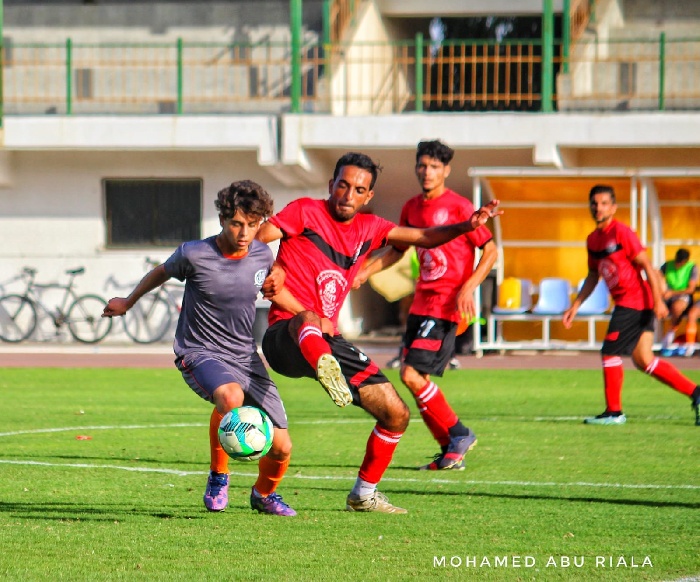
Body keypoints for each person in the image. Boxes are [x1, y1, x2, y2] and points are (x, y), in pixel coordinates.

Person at [256, 151, 502, 513]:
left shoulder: (369, 227)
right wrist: (271, 268)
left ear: (368, 196)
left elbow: (424, 236)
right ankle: (326, 368)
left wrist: (468, 226)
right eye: (342, 185)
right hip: (285, 337)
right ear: (331, 185)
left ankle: (363, 494)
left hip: (328, 340)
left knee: (396, 413)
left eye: (358, 189)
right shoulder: (304, 210)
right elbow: (259, 238)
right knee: (309, 318)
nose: (348, 195)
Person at [103, 180, 297, 515]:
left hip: (245, 356)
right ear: (222, 219)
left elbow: (273, 291)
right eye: (236, 223)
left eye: (252, 225)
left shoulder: (263, 254)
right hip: (200, 350)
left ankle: (264, 495)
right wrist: (128, 301)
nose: (244, 232)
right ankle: (219, 476)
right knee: (230, 397)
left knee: (281, 447)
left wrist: (309, 315)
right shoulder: (195, 253)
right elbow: (159, 273)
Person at [353, 140, 498, 470]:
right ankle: (450, 447)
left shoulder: (461, 208)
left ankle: (458, 434)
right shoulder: (412, 208)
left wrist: (468, 288)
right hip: (421, 305)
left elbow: (490, 251)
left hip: (446, 305)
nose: (427, 172)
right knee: (411, 377)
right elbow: (397, 251)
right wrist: (364, 272)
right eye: (422, 165)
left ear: (446, 170)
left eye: (434, 166)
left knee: (411, 374)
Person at [562, 184, 700, 426]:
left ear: (613, 207)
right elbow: (593, 276)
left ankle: (614, 413)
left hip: (635, 302)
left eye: (604, 203)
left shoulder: (622, 232)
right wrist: (576, 305)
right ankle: (696, 392)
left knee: (610, 351)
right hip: (629, 303)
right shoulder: (593, 240)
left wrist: (658, 300)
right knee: (644, 360)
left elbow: (647, 265)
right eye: (595, 203)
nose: (598, 208)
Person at [658, 248, 698, 354]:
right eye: (677, 261)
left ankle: (673, 332)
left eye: (681, 262)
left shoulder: (692, 267)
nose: (678, 264)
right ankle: (645, 339)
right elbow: (658, 277)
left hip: (682, 296)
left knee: (679, 308)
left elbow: (690, 289)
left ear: (685, 261)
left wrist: (672, 293)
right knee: (652, 308)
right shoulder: (667, 265)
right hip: (666, 295)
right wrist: (662, 289)